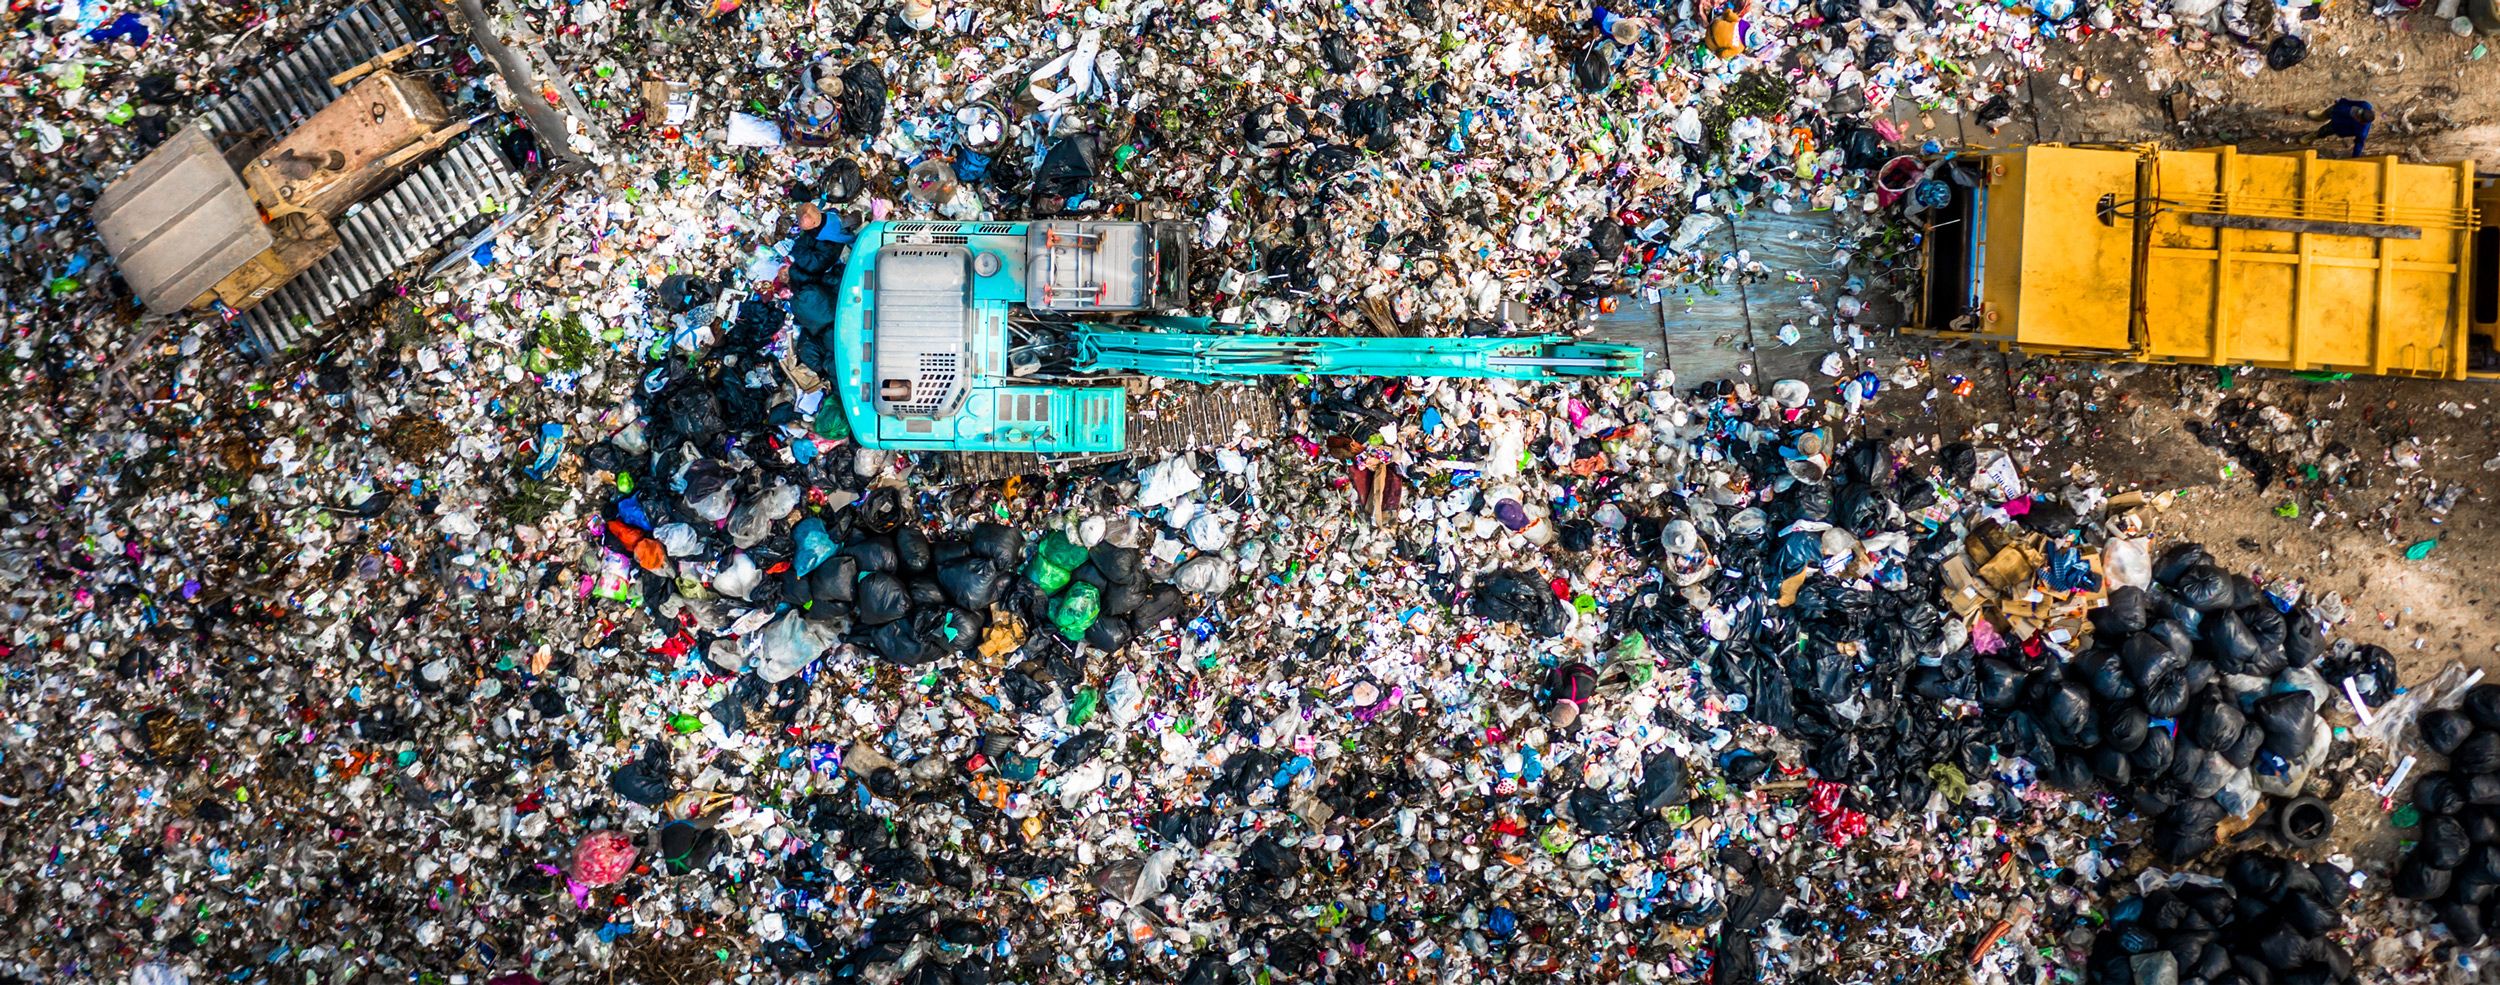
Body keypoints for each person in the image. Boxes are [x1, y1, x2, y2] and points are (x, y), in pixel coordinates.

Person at [2305, 99, 2374, 157]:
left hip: (2337, 126)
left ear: (2362, 122)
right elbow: (2351, 102)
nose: (2355, 114)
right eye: (2358, 112)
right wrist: (2341, 100)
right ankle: (2320, 116)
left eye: (2357, 117)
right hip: (2338, 109)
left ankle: (2312, 136)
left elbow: (2359, 144)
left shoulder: (2362, 131)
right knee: (2327, 113)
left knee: (2324, 131)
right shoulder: (2365, 105)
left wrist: (2355, 157)